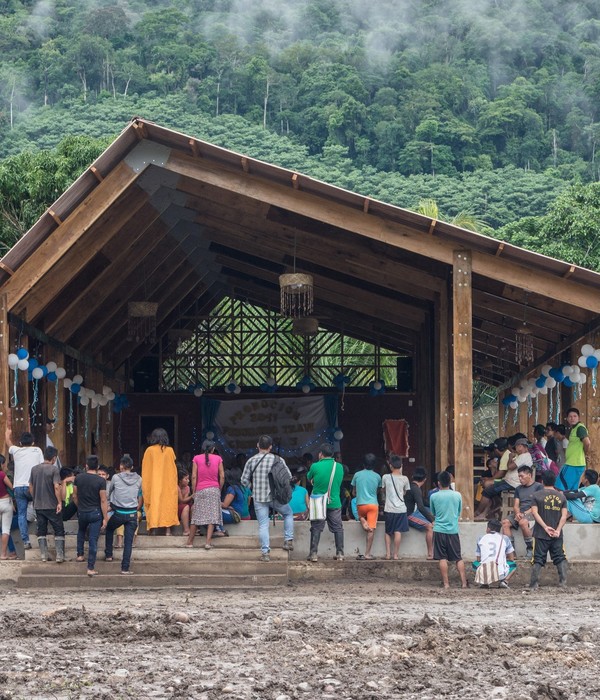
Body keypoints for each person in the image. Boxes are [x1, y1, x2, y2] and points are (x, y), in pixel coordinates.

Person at [241, 435, 294, 562]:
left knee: (263, 525)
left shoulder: (251, 460)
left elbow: (243, 481)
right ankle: (288, 541)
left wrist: (253, 488)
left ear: (258, 445)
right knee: (288, 513)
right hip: (276, 496)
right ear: (270, 447)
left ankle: (265, 553)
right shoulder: (278, 459)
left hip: (259, 497)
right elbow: (289, 476)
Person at [5, 429, 44, 550]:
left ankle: (26, 541)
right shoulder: (37, 450)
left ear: (20, 443)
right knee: (39, 509)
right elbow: (42, 466)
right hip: (32, 486)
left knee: (21, 514)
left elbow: (9, 443)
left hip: (18, 487)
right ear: (33, 442)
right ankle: (40, 533)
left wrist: (8, 434)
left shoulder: (16, 451)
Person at [475, 437, 532, 520]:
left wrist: (510, 458)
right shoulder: (523, 456)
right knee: (489, 490)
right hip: (509, 481)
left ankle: (478, 512)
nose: (515, 449)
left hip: (512, 483)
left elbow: (510, 467)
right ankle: (486, 513)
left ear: (520, 446)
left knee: (487, 491)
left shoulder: (523, 456)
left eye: (516, 447)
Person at [306, 443, 345, 562]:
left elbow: (309, 477)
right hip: (334, 501)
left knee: (316, 527)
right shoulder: (339, 467)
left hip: (318, 502)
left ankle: (313, 554)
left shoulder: (315, 466)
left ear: (320, 454)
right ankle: (340, 553)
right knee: (338, 527)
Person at [104, 454, 143, 575]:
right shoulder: (139, 479)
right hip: (132, 513)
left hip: (119, 513)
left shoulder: (115, 478)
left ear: (121, 466)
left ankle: (109, 555)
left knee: (109, 529)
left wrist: (110, 505)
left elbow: (109, 493)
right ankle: (125, 568)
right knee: (128, 542)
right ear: (131, 467)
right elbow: (139, 495)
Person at [530, 471, 568, 589]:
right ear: (554, 481)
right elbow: (564, 516)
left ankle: (534, 584)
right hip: (557, 534)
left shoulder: (536, 496)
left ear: (542, 481)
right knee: (560, 557)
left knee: (538, 558)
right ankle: (563, 582)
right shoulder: (561, 496)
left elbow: (534, 513)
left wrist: (545, 527)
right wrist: (557, 530)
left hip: (541, 533)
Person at [430, 470, 468, 589]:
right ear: (450, 481)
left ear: (438, 483)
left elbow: (433, 512)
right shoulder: (457, 495)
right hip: (453, 530)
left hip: (439, 530)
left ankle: (446, 584)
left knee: (442, 558)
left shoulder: (434, 496)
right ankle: (464, 583)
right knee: (458, 557)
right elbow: (458, 511)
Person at [73, 455, 108, 577]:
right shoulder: (101, 481)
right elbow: (103, 500)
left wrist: (79, 506)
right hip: (95, 512)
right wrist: (105, 517)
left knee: (81, 531)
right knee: (93, 539)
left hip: (82, 511)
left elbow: (74, 496)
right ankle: (90, 567)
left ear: (86, 466)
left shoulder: (78, 478)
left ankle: (80, 555)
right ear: (97, 467)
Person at [29, 445, 64, 563]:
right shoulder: (54, 469)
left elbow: (30, 486)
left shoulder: (34, 469)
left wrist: (35, 498)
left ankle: (43, 555)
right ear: (54, 458)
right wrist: (59, 502)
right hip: (51, 505)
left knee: (41, 529)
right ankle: (59, 555)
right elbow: (56, 487)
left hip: (38, 505)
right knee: (58, 529)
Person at [187, 440, 224, 550]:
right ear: (213, 449)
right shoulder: (218, 459)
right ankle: (207, 543)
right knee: (212, 517)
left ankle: (189, 542)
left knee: (196, 517)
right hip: (214, 489)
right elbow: (222, 476)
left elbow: (193, 476)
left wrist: (194, 491)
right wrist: (219, 488)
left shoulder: (196, 458)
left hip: (200, 489)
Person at [141, 428, 179, 534]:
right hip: (168, 483)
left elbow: (146, 469)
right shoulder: (170, 450)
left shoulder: (149, 450)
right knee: (168, 504)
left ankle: (152, 528)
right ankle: (168, 530)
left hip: (153, 484)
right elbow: (173, 468)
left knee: (154, 503)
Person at [501, 465, 543, 559]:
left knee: (523, 522)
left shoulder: (538, 487)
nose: (520, 479)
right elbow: (516, 505)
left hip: (532, 513)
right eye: (519, 476)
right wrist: (517, 513)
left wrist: (524, 514)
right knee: (505, 523)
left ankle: (530, 550)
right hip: (520, 513)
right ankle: (511, 552)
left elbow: (537, 506)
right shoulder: (518, 489)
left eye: (522, 476)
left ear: (529, 475)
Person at [351, 453, 381, 560]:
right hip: (373, 504)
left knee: (360, 515)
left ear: (363, 464)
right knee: (371, 530)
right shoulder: (377, 476)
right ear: (374, 465)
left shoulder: (357, 475)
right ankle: (367, 554)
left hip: (361, 504)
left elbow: (354, 492)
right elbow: (378, 491)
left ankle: (362, 519)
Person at [472, 519, 516, 588]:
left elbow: (478, 559)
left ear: (488, 529)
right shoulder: (505, 538)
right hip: (501, 574)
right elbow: (511, 558)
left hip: (485, 573)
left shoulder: (481, 538)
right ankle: (504, 582)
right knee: (513, 565)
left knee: (474, 564)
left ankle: (484, 583)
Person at [381, 454, 409, 560]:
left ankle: (388, 554)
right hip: (401, 509)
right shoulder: (405, 479)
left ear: (390, 465)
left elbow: (383, 490)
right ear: (401, 465)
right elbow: (405, 492)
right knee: (398, 531)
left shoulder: (385, 477)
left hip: (389, 508)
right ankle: (396, 555)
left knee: (388, 532)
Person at [557, 408, 591, 491]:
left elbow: (587, 443)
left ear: (579, 417)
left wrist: (585, 453)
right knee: (573, 490)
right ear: (567, 419)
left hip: (574, 463)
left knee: (561, 487)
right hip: (574, 463)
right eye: (570, 416)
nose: (572, 418)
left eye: (575, 416)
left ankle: (564, 504)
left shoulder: (580, 428)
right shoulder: (574, 429)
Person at [405, 467, 435, 559]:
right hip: (409, 515)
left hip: (412, 512)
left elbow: (423, 502)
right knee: (430, 526)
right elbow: (421, 507)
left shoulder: (411, 486)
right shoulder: (416, 489)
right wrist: (432, 520)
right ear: (425, 479)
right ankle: (430, 553)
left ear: (413, 476)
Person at [0, 463, 14, 560]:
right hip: (5, 502)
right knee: (5, 529)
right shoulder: (2, 474)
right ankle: (3, 554)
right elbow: (11, 487)